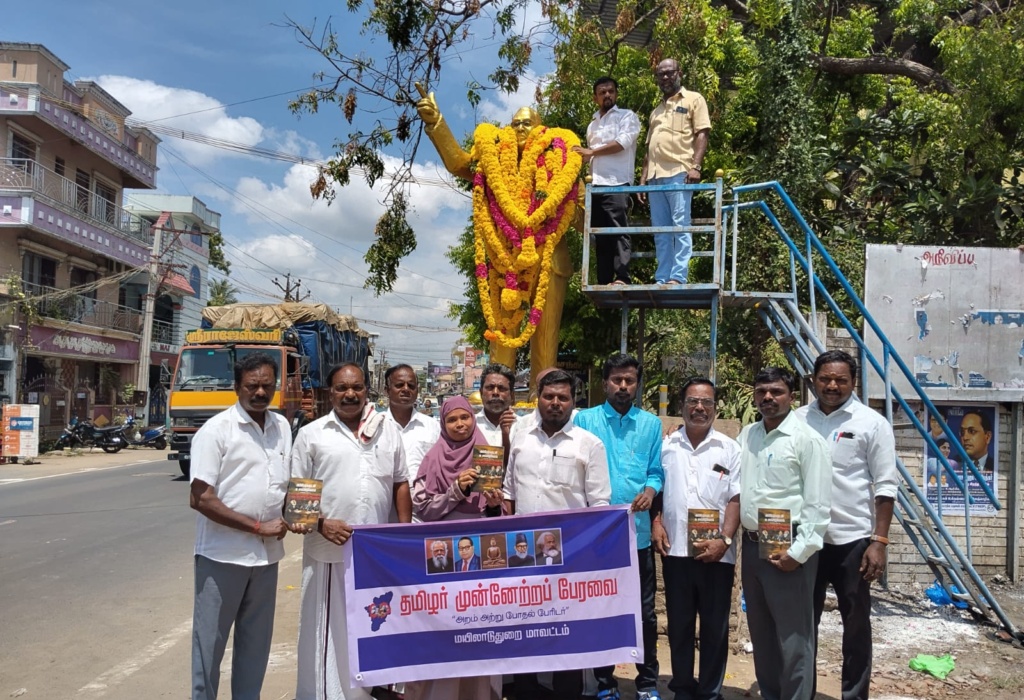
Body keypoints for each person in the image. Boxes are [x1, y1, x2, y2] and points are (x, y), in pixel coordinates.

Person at [416, 89, 573, 384]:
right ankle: (498, 389)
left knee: (545, 331)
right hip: (504, 254)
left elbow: (578, 207)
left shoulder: (561, 157)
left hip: (549, 257)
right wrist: (437, 123)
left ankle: (542, 389)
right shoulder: (493, 158)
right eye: (515, 123)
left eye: (527, 123)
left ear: (540, 127)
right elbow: (460, 163)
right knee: (503, 324)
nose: (520, 128)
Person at [289, 363, 412, 700]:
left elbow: (400, 482)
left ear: (367, 390)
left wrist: (403, 535)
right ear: (330, 393)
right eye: (342, 388)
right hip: (329, 552)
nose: (350, 394)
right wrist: (322, 524)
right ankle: (326, 694)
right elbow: (296, 500)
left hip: (376, 555)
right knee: (329, 633)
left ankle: (369, 692)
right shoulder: (312, 434)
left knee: (375, 625)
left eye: (357, 387)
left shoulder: (387, 431)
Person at [795, 351, 898, 700]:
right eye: (825, 378)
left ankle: (854, 695)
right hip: (805, 540)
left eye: (841, 380)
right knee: (803, 625)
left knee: (855, 626)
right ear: (813, 380)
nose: (832, 385)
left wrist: (879, 541)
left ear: (853, 382)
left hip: (852, 541)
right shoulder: (797, 420)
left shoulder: (872, 424)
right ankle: (802, 692)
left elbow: (886, 486)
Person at [188, 352, 291, 700]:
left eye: (267, 385)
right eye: (252, 385)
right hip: (222, 557)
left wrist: (301, 514)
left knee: (255, 647)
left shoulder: (282, 427)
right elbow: (201, 498)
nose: (260, 392)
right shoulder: (216, 431)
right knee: (209, 648)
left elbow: (286, 487)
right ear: (236, 387)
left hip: (266, 558)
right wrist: (257, 527)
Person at [504, 369, 612, 699]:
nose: (555, 403)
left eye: (562, 397)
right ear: (538, 398)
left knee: (567, 632)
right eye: (549, 396)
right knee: (525, 629)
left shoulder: (589, 445)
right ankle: (525, 692)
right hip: (523, 556)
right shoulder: (521, 438)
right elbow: (509, 493)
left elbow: (600, 504)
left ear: (573, 401)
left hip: (568, 558)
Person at [738, 367, 832, 700]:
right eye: (761, 391)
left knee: (794, 638)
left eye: (776, 391)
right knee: (761, 633)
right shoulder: (748, 435)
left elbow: (818, 504)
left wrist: (799, 552)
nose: (767, 397)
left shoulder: (807, 440)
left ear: (791, 396)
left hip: (789, 545)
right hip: (752, 545)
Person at [574, 353, 664, 700]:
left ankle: (648, 684)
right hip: (596, 536)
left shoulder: (651, 425)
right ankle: (605, 684)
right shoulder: (585, 420)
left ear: (638, 384)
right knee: (601, 610)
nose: (623, 386)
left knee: (645, 613)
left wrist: (650, 491)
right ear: (605, 383)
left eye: (630, 380)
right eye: (617, 380)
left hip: (636, 534)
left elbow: (655, 471)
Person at [407, 395, 503, 700]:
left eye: (465, 417)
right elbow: (423, 509)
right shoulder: (433, 458)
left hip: (483, 559)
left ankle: (480, 693)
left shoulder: (488, 453)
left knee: (481, 626)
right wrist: (456, 491)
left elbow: (499, 516)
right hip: (445, 557)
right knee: (445, 626)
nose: (460, 424)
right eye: (452, 419)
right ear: (443, 423)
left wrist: (495, 505)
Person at [652, 377, 741, 700]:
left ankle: (710, 692)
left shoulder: (730, 449)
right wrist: (656, 522)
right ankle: (683, 688)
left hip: (717, 554)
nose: (699, 408)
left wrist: (724, 540)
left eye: (706, 402)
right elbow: (656, 487)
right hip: (675, 551)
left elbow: (736, 498)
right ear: (682, 406)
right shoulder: (666, 446)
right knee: (680, 625)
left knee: (715, 627)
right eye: (692, 401)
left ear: (716, 408)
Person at [639, 58, 711, 285]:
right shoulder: (656, 111)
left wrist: (696, 166)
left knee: (680, 226)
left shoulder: (694, 99)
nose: (665, 77)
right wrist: (642, 179)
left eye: (670, 73)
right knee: (661, 231)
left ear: (680, 73)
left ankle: (678, 276)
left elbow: (702, 134)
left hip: (680, 172)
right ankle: (662, 277)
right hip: (655, 177)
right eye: (661, 74)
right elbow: (649, 148)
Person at [574, 76, 641, 285]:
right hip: (595, 185)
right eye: (602, 92)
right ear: (595, 98)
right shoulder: (592, 125)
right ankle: (604, 281)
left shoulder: (626, 116)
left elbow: (622, 143)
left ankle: (622, 277)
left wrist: (592, 151)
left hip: (617, 182)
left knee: (618, 229)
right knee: (600, 234)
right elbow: (589, 156)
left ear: (616, 94)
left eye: (611, 91)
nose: (607, 95)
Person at [383, 364, 441, 522]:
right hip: (385, 511)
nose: (406, 389)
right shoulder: (377, 426)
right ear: (387, 390)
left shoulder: (432, 427)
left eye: (411, 385)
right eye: (399, 385)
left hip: (424, 510)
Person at [475, 363, 523, 451]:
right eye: (490, 387)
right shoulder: (471, 425)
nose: (495, 393)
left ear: (512, 395)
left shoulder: (524, 427)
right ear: (481, 393)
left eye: (502, 388)